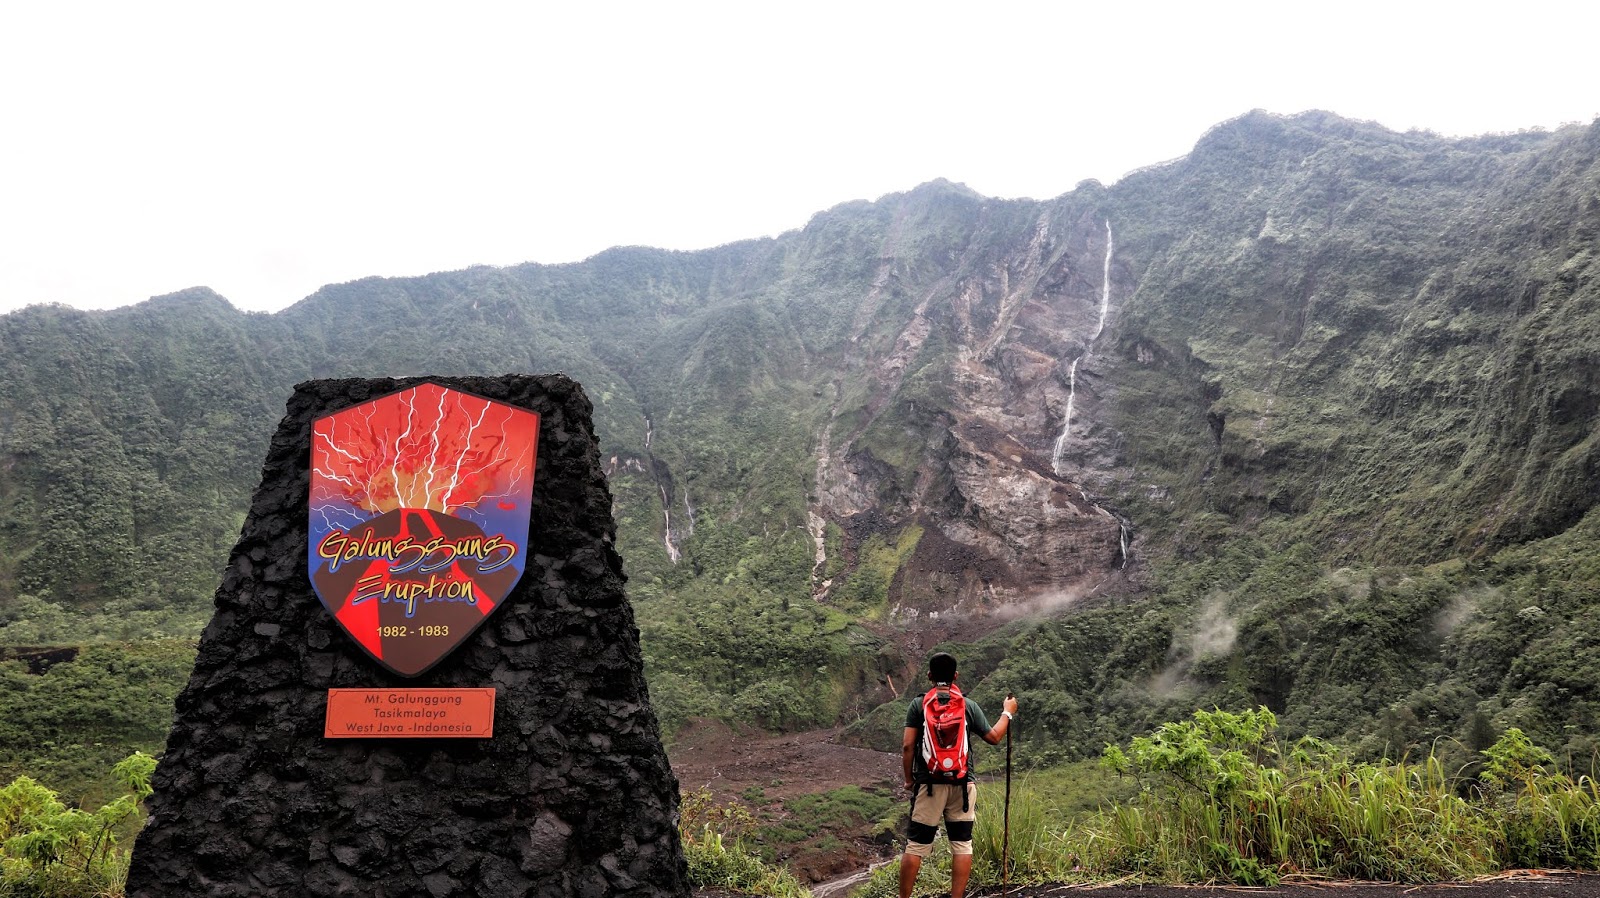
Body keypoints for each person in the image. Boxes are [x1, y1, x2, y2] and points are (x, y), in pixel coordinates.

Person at [898, 652, 1018, 898]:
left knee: (916, 846)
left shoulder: (918, 705)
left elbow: (908, 746)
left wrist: (909, 779)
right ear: (956, 676)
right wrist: (1007, 712)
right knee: (962, 845)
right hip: (963, 784)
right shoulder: (968, 706)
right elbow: (994, 737)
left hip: (929, 785)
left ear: (929, 676)